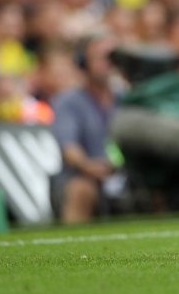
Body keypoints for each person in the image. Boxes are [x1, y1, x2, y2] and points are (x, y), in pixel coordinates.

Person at [50, 34, 120, 223]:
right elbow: (69, 149)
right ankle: (72, 251)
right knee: (81, 190)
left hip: (122, 174)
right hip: (82, 174)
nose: (108, 63)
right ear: (83, 63)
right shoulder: (68, 102)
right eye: (101, 57)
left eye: (112, 57)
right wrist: (90, 166)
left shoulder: (126, 98)